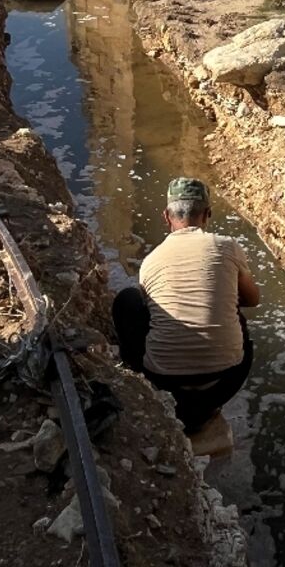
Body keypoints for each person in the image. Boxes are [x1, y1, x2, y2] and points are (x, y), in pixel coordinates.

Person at [112, 177, 259, 435]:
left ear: (166, 217)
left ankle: (146, 389)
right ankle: (208, 408)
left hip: (164, 382)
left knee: (129, 300)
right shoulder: (227, 247)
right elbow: (253, 299)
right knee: (233, 307)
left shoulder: (151, 261)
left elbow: (149, 316)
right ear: (208, 214)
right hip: (226, 381)